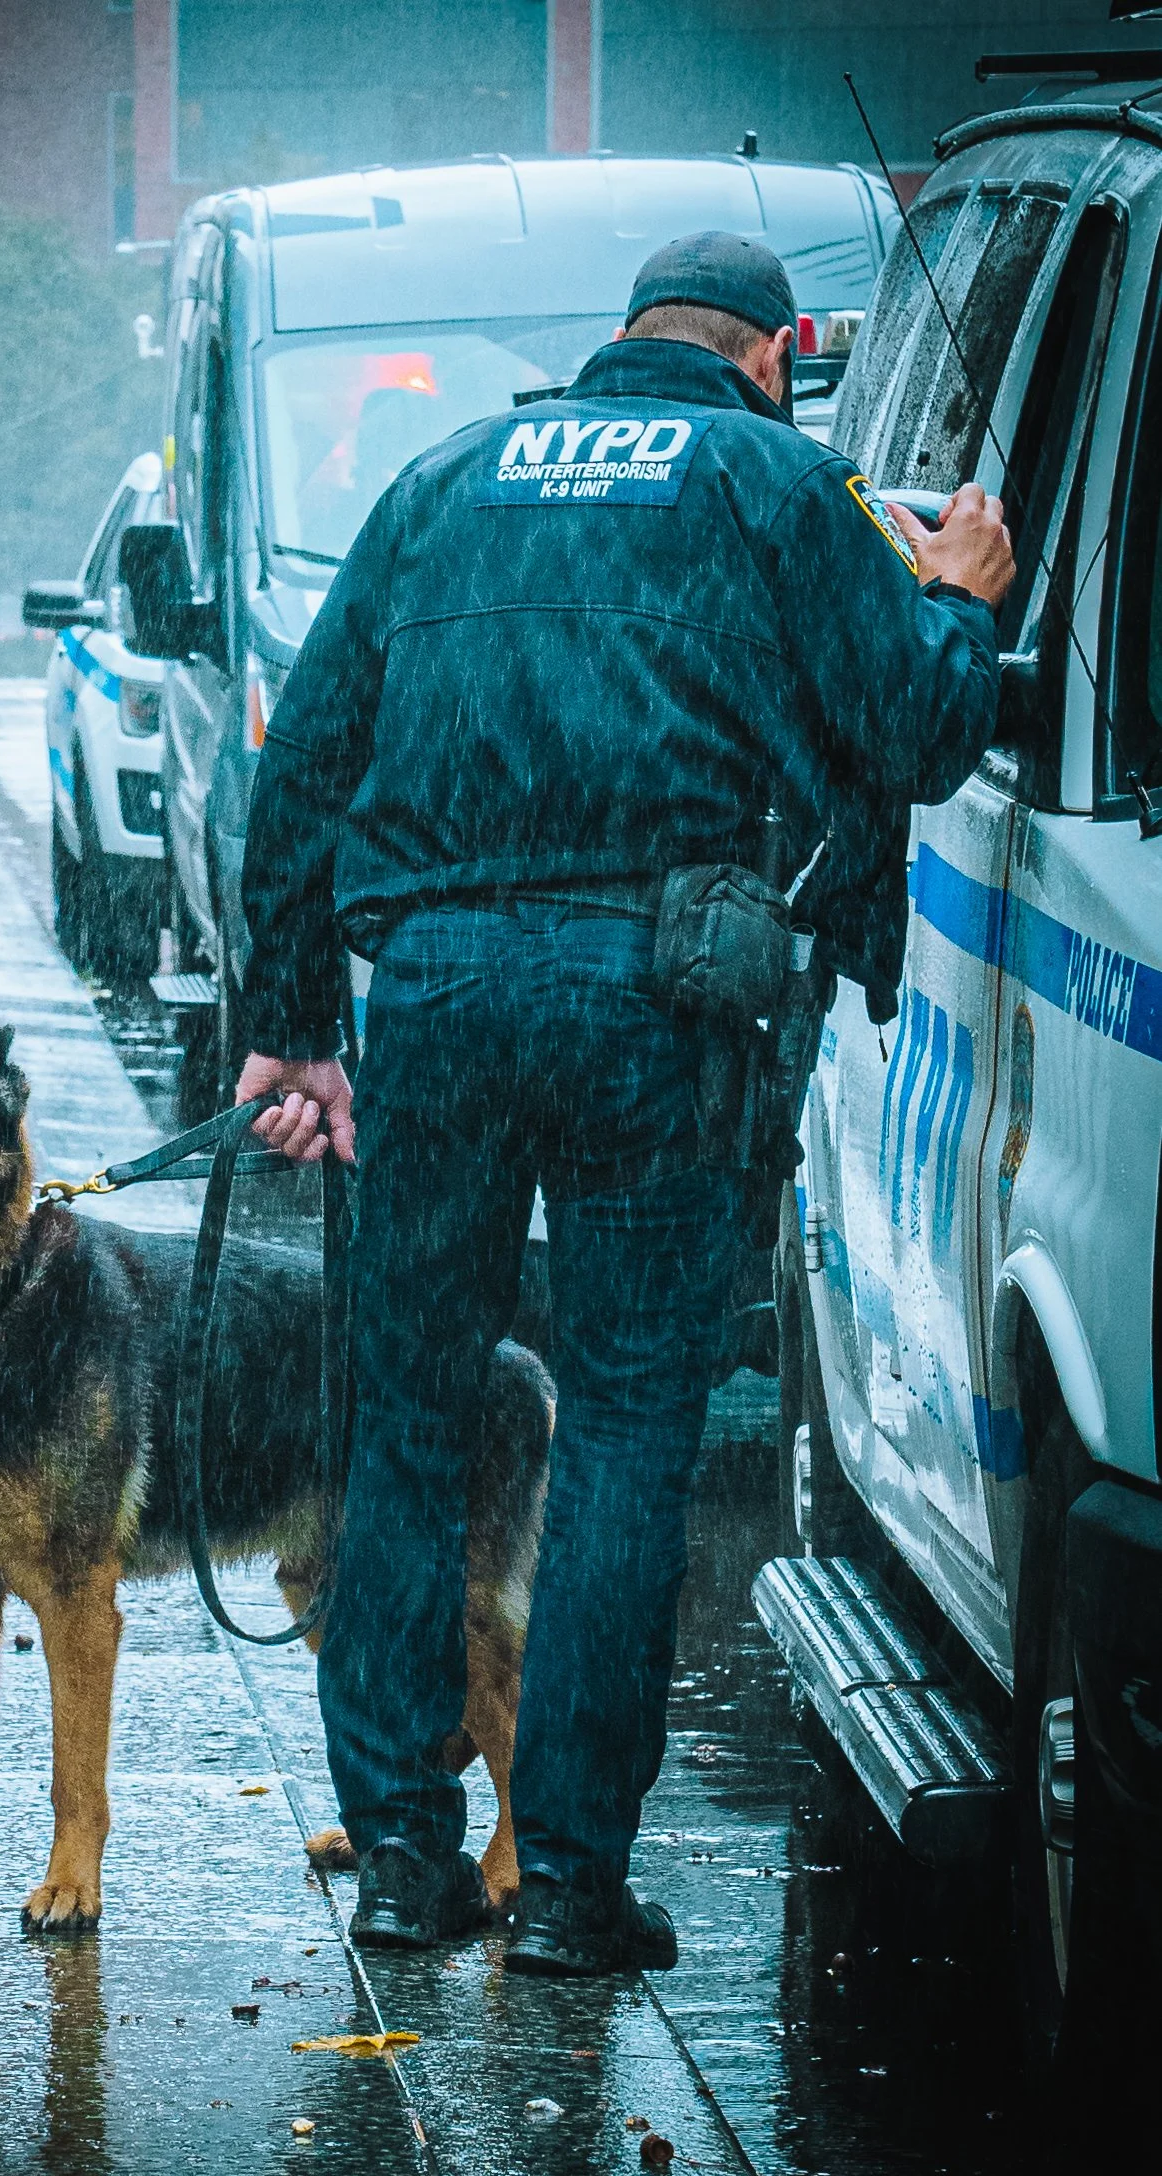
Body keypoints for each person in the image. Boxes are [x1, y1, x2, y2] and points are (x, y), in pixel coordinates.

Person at [233, 230, 1015, 1977]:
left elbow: (301, 767)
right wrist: (957, 593)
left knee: (409, 1424)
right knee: (621, 1429)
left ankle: (403, 1870)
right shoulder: (775, 477)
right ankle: (572, 1889)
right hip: (664, 1005)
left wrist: (291, 1031)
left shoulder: (445, 477)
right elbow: (906, 734)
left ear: (622, 339)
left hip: (429, 998)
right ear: (774, 353)